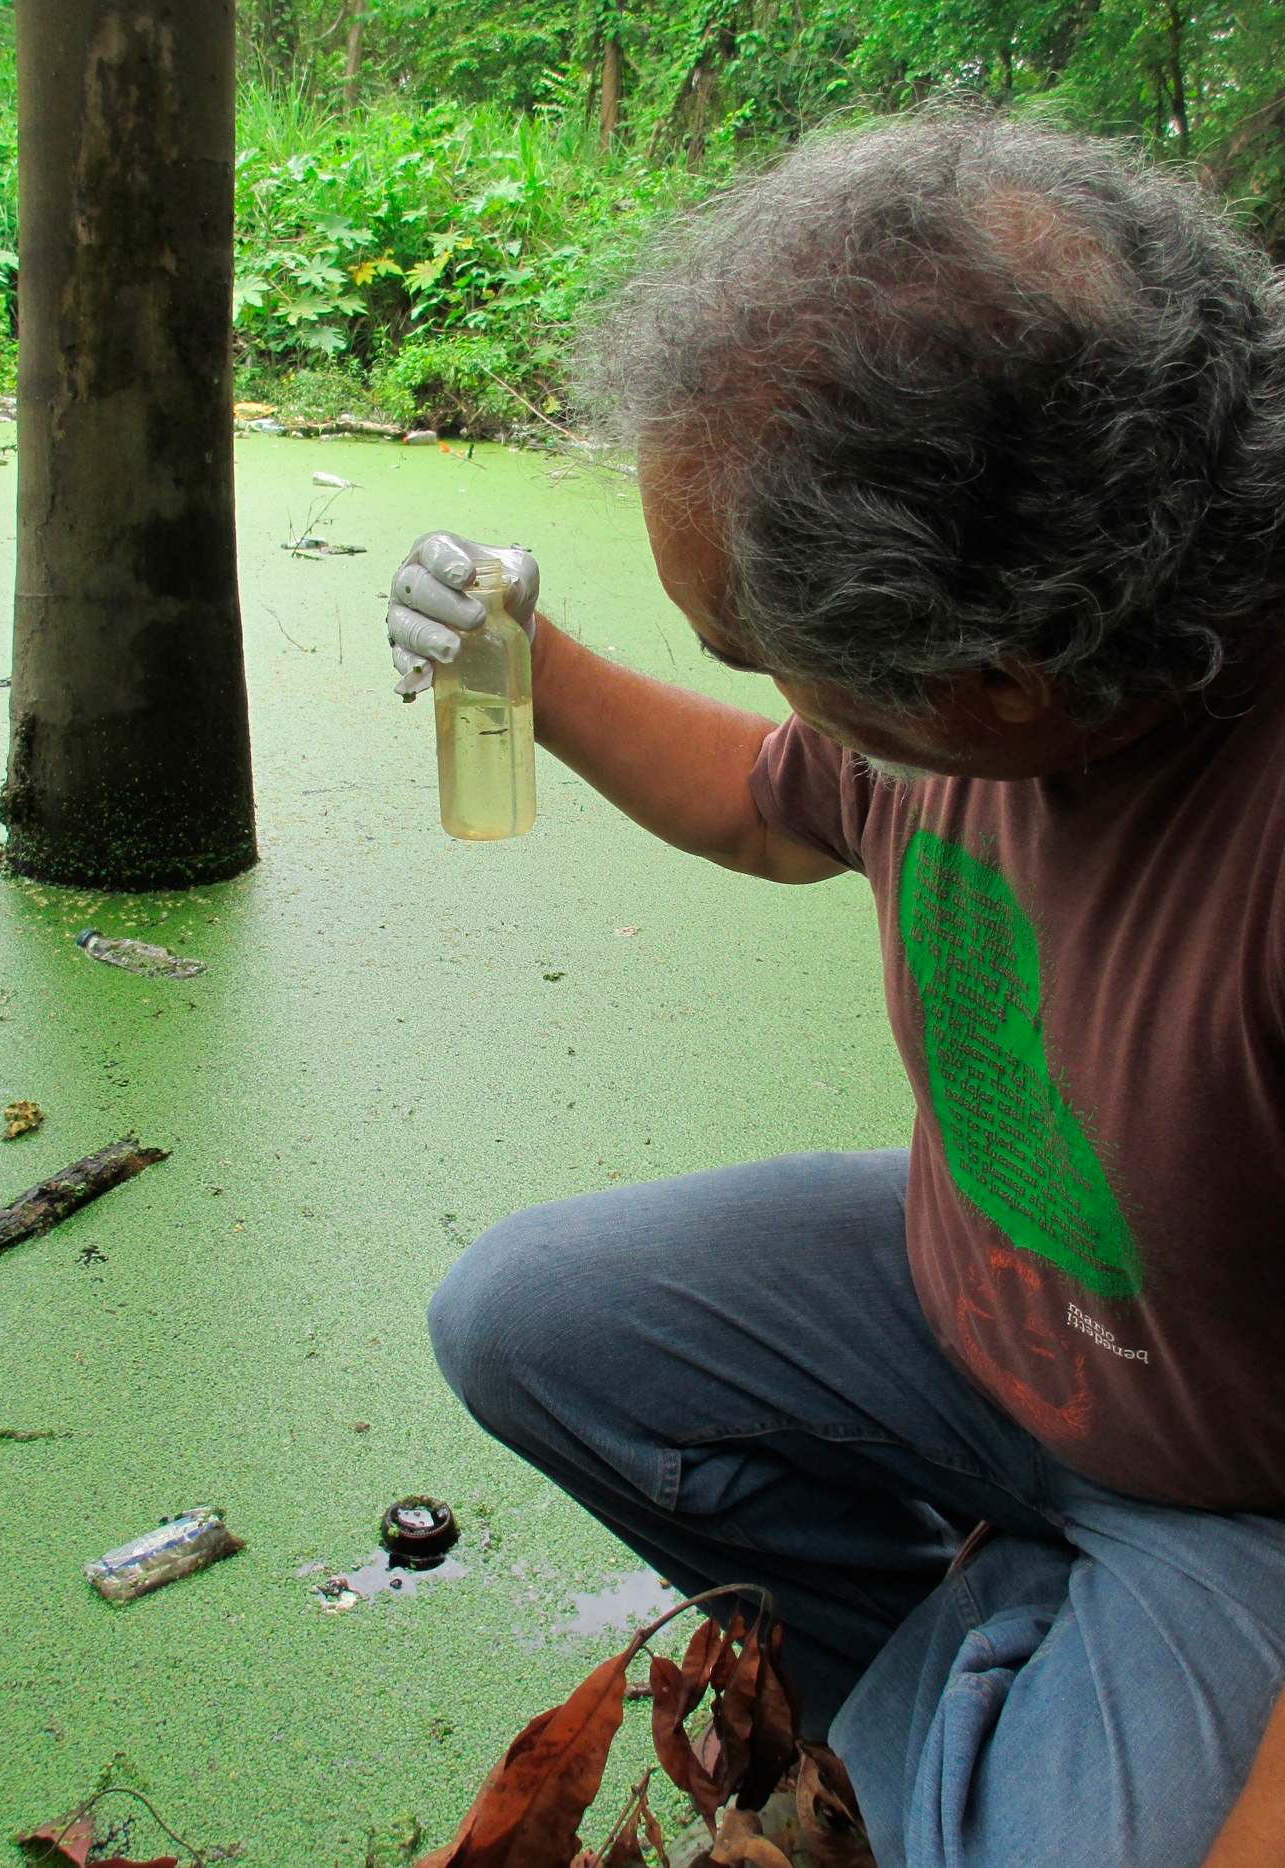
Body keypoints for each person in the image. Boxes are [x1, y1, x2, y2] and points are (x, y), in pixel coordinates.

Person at [386, 113, 1285, 1868]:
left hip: (1238, 1496)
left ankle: (1030, 1674)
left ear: (1004, 682)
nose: (762, 685)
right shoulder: (1022, 646)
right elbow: (764, 803)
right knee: (529, 1318)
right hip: (990, 1321)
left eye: (753, 644)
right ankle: (952, 1656)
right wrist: (529, 664)